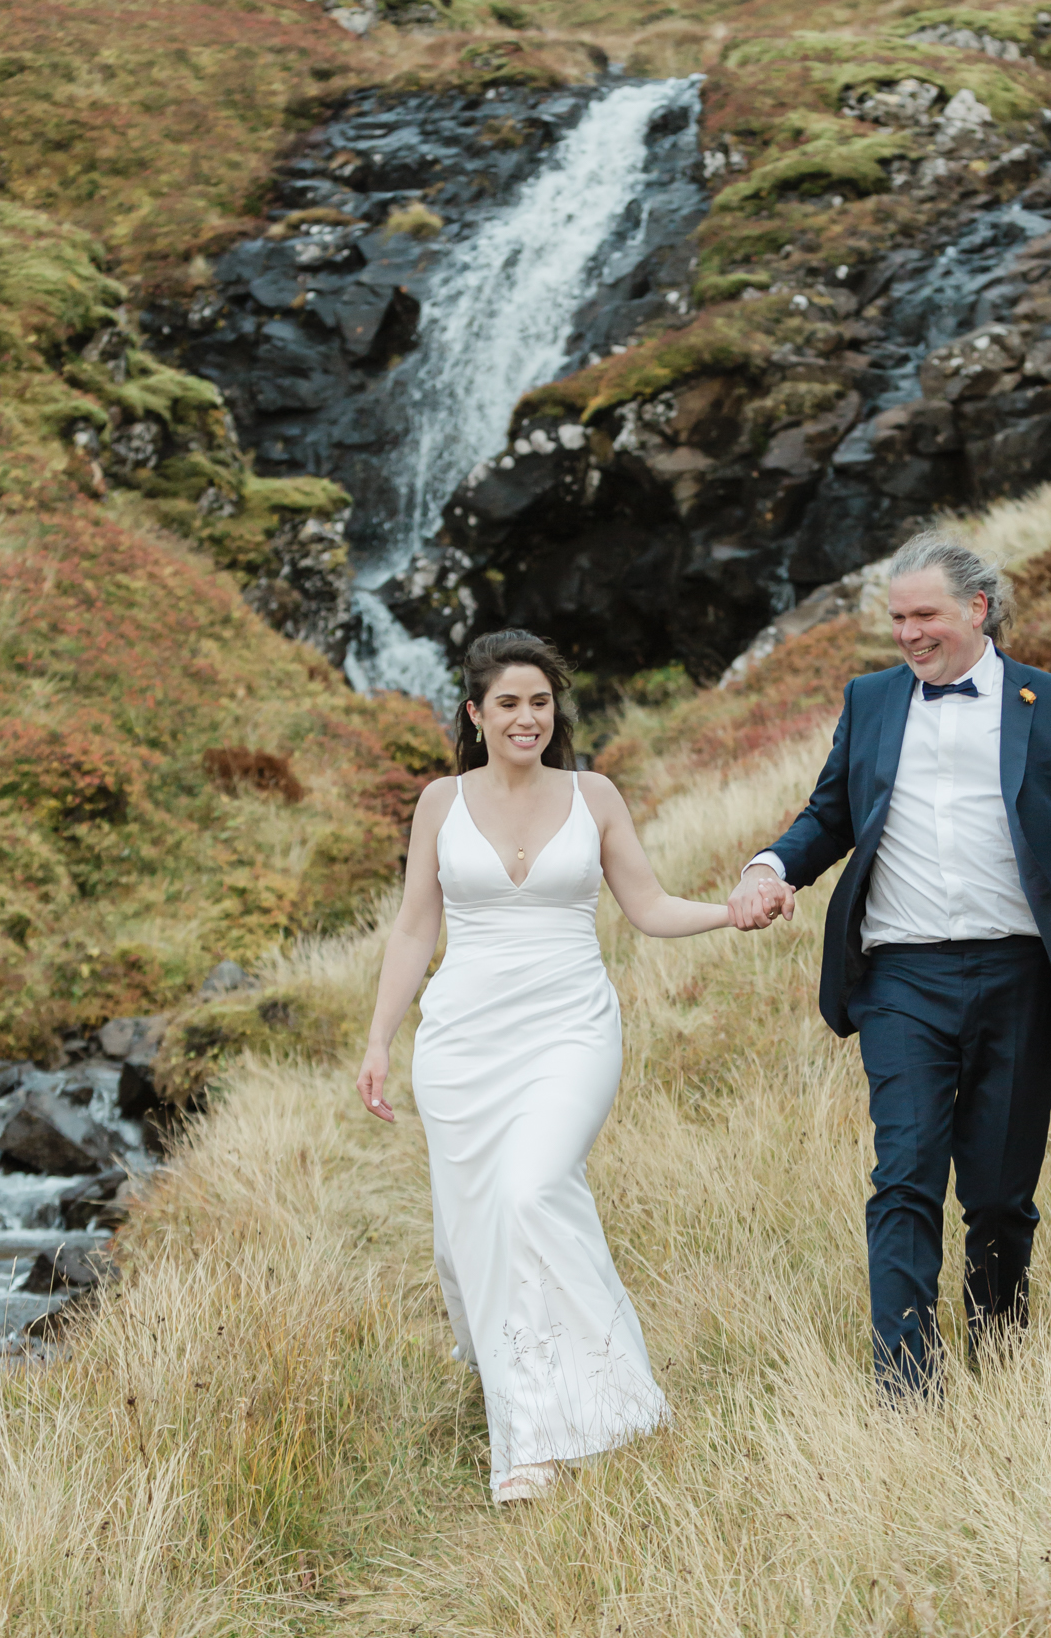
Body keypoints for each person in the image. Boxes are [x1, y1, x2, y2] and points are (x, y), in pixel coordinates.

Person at [728, 532, 1051, 1393]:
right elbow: (829, 812)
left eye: (925, 616)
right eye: (897, 618)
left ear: (976, 610)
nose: (908, 634)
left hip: (1022, 979)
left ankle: (1002, 1355)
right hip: (901, 977)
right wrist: (771, 866)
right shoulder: (871, 700)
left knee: (997, 1193)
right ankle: (907, 1385)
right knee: (904, 1173)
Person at [357, 628, 739, 1505]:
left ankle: (612, 1400)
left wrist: (729, 912)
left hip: (570, 1028)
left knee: (532, 1190)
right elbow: (417, 928)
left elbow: (645, 906)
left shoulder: (593, 795)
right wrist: (381, 1038)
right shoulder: (439, 804)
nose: (527, 718)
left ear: (554, 710)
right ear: (475, 714)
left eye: (540, 701)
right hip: (461, 1042)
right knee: (482, 1229)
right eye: (508, 704)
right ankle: (528, 1440)